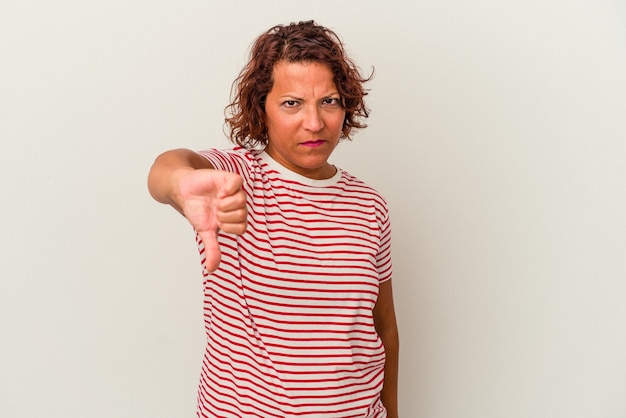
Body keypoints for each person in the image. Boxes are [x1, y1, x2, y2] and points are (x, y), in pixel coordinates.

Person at [148, 20, 399, 418]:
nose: (314, 122)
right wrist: (180, 183)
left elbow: (382, 327)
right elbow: (169, 167)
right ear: (260, 108)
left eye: (329, 101)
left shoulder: (370, 205)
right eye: (291, 103)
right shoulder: (234, 179)